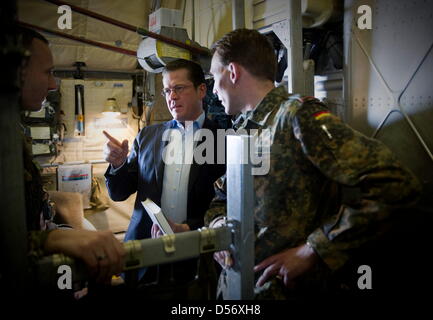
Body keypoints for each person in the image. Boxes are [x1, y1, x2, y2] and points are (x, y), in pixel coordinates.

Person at [207, 28, 422, 299]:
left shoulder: (298, 116)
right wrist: (218, 229)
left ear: (233, 72)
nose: (214, 91)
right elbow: (221, 197)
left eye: (215, 78)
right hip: (237, 289)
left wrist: (314, 248)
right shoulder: (245, 129)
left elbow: (395, 184)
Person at [104, 59, 225, 296]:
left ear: (202, 90)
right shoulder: (148, 136)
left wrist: (189, 228)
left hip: (196, 254)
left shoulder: (224, 140)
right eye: (167, 90)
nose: (172, 97)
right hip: (144, 253)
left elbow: (228, 205)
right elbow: (118, 193)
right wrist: (117, 164)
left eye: (179, 88)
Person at [16, 26, 126, 289]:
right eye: (47, 72)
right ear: (14, 73)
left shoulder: (14, 135)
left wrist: (56, 234)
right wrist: (49, 240)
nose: (53, 84)